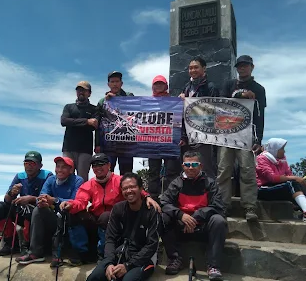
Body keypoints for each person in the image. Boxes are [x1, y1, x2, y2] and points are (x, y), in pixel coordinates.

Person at [60, 153, 160, 263]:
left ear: (109, 165)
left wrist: (147, 196)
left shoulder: (119, 180)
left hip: (117, 221)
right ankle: (82, 253)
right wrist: (70, 205)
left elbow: (134, 189)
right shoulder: (88, 185)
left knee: (106, 216)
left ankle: (103, 253)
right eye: (94, 165)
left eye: (101, 164)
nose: (98, 168)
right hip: (96, 219)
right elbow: (80, 201)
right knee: (73, 213)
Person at [161, 151, 227, 281]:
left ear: (201, 166)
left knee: (219, 221)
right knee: (163, 218)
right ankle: (175, 259)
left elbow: (218, 206)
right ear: (183, 166)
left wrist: (195, 218)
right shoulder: (176, 183)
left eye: (194, 164)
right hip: (181, 226)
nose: (191, 167)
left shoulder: (210, 183)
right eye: (187, 164)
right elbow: (164, 203)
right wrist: (180, 215)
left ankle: (213, 266)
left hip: (203, 226)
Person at [217, 55, 266, 221]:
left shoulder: (259, 89)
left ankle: (250, 207)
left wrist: (258, 139)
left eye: (245, 66)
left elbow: (260, 115)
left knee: (247, 170)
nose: (242, 68)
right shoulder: (228, 84)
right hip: (226, 134)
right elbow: (221, 104)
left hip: (246, 135)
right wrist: (241, 94)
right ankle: (223, 206)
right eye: (239, 66)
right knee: (223, 170)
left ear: (252, 67)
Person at [87, 173, 160, 281]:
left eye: (132, 187)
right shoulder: (118, 209)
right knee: (94, 278)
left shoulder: (151, 211)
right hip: (121, 253)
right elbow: (110, 239)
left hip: (144, 259)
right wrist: (109, 263)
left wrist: (128, 266)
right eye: (125, 188)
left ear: (141, 189)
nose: (129, 191)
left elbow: (152, 245)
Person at [15, 156, 84, 265]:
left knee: (67, 212)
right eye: (58, 166)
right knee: (38, 209)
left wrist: (55, 201)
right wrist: (42, 202)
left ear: (71, 170)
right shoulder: (51, 179)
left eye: (64, 167)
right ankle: (35, 253)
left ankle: (64, 252)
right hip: (53, 218)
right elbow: (41, 196)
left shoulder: (78, 180)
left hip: (68, 220)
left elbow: (75, 201)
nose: (60, 170)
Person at [0, 151, 53, 256]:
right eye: (26, 163)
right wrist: (12, 192)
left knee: (32, 211)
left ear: (40, 165)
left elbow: (48, 199)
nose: (29, 167)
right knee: (0, 208)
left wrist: (30, 199)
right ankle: (11, 243)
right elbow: (7, 199)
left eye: (32, 164)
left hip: (38, 211)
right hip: (21, 210)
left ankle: (29, 244)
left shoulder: (47, 176)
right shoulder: (20, 176)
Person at [256, 138, 306, 224]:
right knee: (292, 183)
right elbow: (272, 178)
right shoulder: (261, 159)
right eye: (282, 149)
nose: (284, 151)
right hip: (264, 189)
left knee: (304, 187)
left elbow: (288, 174)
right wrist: (294, 178)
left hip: (280, 187)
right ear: (275, 149)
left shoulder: (282, 160)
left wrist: (296, 179)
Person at [179, 57, 219, 179]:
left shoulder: (211, 87)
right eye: (190, 68)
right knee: (188, 168)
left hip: (204, 136)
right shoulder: (186, 88)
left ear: (204, 68)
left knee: (205, 167)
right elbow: (182, 114)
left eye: (196, 67)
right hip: (188, 135)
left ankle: (210, 196)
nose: (193, 70)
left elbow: (214, 111)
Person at [148, 75, 181, 202]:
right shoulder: (146, 102)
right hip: (152, 143)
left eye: (161, 84)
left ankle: (169, 199)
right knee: (153, 172)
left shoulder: (175, 101)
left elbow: (180, 120)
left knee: (171, 172)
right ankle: (153, 198)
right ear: (152, 86)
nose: (158, 86)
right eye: (156, 84)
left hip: (170, 142)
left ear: (166, 86)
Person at [97, 71, 134, 174]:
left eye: (117, 81)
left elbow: (137, 113)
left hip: (126, 144)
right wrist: (97, 144)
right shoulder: (102, 101)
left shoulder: (129, 96)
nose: (115, 84)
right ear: (108, 84)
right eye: (112, 81)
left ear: (121, 83)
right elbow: (98, 124)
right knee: (108, 172)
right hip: (108, 144)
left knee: (126, 173)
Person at [61, 81, 99, 182]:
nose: (81, 92)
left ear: (89, 93)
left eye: (84, 90)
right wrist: (86, 121)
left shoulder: (94, 109)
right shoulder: (68, 107)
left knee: (82, 179)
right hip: (68, 148)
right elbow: (64, 121)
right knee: (66, 176)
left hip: (85, 149)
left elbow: (94, 126)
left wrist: (74, 122)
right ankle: (66, 198)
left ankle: (83, 198)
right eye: (79, 90)